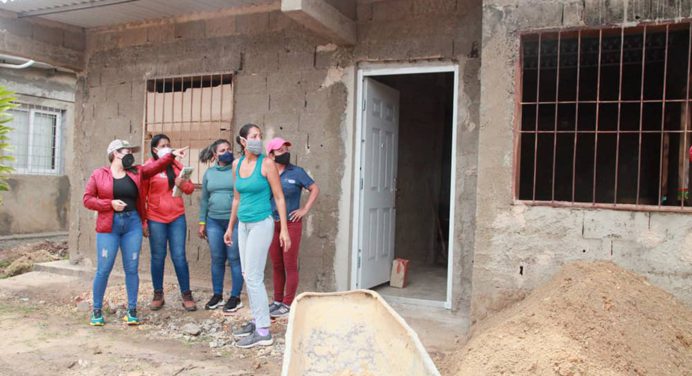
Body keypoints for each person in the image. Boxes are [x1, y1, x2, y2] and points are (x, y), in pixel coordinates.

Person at [83, 139, 187, 326]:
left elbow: (156, 166)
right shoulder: (99, 174)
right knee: (104, 268)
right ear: (115, 153)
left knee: (132, 268)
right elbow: (88, 199)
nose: (130, 153)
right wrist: (109, 204)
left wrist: (170, 155)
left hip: (132, 224)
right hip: (109, 225)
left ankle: (132, 310)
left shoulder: (137, 172)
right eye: (127, 150)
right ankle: (96, 310)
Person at [224, 124, 291, 349]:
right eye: (253, 136)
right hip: (243, 224)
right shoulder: (237, 164)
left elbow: (280, 198)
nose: (258, 140)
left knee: (253, 276)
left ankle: (264, 331)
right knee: (247, 273)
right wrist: (230, 227)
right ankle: (257, 321)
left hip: (262, 223)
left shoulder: (267, 164)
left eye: (260, 136)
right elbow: (236, 198)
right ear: (243, 141)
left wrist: (284, 229)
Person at [265, 138, 319, 318]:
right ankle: (277, 301)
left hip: (291, 223)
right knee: (277, 264)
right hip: (271, 223)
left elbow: (314, 188)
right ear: (271, 155)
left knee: (289, 264)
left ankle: (288, 304)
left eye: (286, 149)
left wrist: (304, 209)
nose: (285, 152)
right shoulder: (266, 172)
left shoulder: (297, 172)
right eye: (280, 150)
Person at [143, 134, 196, 312]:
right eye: (163, 145)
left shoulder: (176, 165)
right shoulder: (148, 167)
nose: (167, 148)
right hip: (155, 218)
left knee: (179, 256)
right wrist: (144, 221)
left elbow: (190, 189)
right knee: (158, 257)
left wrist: (182, 183)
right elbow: (142, 195)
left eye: (169, 145)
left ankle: (186, 294)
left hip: (176, 217)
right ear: (154, 149)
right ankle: (158, 294)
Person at [198, 139, 244, 313]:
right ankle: (217, 295)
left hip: (235, 221)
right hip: (214, 222)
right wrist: (202, 222)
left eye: (229, 149)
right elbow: (203, 199)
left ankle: (235, 297)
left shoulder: (238, 169)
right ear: (215, 155)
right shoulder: (209, 173)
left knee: (234, 258)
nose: (227, 152)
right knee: (217, 258)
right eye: (223, 150)